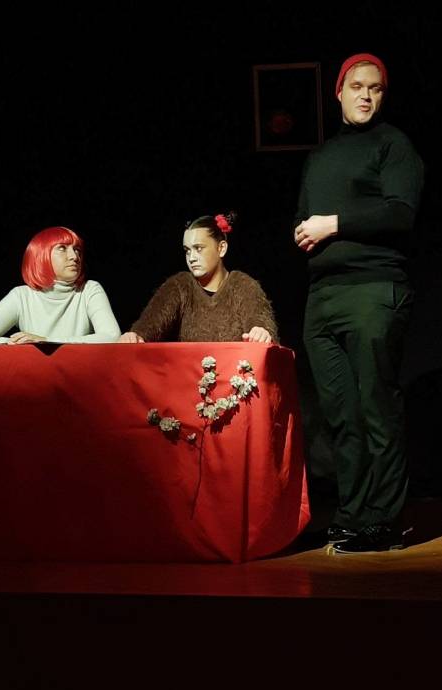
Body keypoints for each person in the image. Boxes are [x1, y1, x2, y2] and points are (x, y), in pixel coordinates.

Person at [294, 53, 424, 553]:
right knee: (340, 413)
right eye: (357, 87)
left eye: (375, 88)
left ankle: (385, 522)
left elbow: (401, 212)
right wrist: (305, 230)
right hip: (323, 295)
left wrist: (334, 224)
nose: (366, 96)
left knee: (376, 407)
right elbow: (306, 216)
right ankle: (353, 513)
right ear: (339, 92)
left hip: (373, 289)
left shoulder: (393, 145)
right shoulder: (320, 156)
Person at [119, 213, 277, 343]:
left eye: (198, 248)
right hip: (189, 371)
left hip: (233, 370)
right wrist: (135, 336)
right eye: (187, 250)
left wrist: (260, 332)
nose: (192, 258)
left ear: (221, 248)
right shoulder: (181, 285)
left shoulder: (242, 285)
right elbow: (150, 323)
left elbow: (260, 321)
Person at [0, 226, 121, 344]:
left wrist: (46, 341)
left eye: (77, 250)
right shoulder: (22, 296)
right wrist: (13, 343)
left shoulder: (90, 289)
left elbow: (112, 336)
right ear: (41, 255)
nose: (74, 256)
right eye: (62, 248)